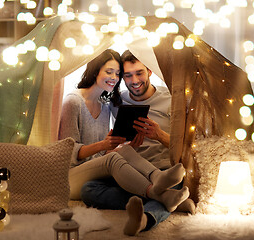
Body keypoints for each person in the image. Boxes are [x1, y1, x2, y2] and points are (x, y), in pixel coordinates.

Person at [58, 49, 189, 215]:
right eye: (125, 75)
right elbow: (68, 153)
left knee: (122, 152)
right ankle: (163, 196)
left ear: (149, 72)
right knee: (91, 187)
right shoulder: (92, 102)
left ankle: (155, 205)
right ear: (95, 70)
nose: (115, 78)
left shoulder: (107, 104)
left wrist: (154, 136)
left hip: (160, 169)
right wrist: (106, 146)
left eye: (117, 73)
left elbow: (189, 147)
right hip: (87, 172)